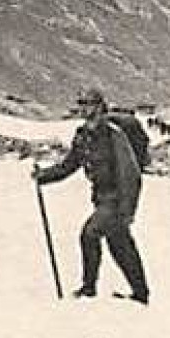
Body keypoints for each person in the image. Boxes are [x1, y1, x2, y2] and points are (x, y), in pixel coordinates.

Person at [33, 89, 150, 304]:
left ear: (99, 106)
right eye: (81, 104)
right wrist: (44, 176)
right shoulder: (83, 136)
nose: (84, 108)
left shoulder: (114, 135)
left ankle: (89, 289)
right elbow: (69, 165)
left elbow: (130, 173)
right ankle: (140, 293)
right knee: (119, 243)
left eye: (88, 104)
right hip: (101, 197)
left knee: (90, 234)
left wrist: (127, 209)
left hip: (117, 198)